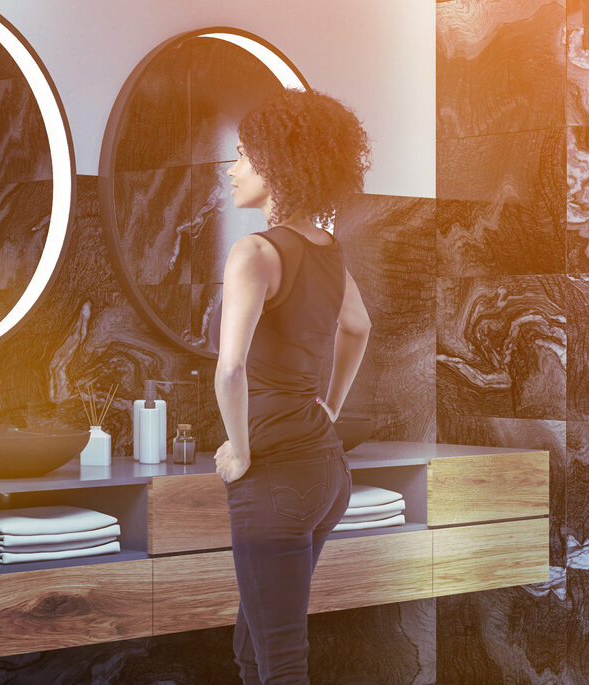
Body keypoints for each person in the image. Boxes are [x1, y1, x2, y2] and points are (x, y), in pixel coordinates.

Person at [211, 88, 372, 684]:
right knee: (253, 655)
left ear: (278, 167)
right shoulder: (328, 251)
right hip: (326, 476)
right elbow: (358, 327)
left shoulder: (253, 251)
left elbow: (229, 369)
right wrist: (328, 406)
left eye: (244, 157)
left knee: (279, 666)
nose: (232, 170)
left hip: (275, 477)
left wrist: (241, 450)